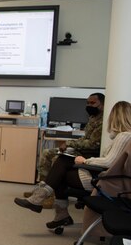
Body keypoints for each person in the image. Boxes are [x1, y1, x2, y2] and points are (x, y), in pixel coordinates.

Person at [15, 100, 131, 229]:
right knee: (61, 165)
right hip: (107, 178)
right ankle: (52, 209)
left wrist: (85, 161)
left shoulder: (124, 136)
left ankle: (43, 201)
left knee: (62, 165)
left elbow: (109, 162)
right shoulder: (125, 136)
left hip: (102, 180)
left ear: (116, 117)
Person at [26, 93, 105, 207]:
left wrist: (69, 143)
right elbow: (86, 138)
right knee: (46, 153)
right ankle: (40, 190)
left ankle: (50, 196)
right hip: (81, 149)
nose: (89, 105)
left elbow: (93, 144)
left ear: (102, 104)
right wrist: (71, 144)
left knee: (56, 159)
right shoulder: (93, 118)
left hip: (88, 154)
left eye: (92, 103)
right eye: (87, 103)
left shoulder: (102, 121)